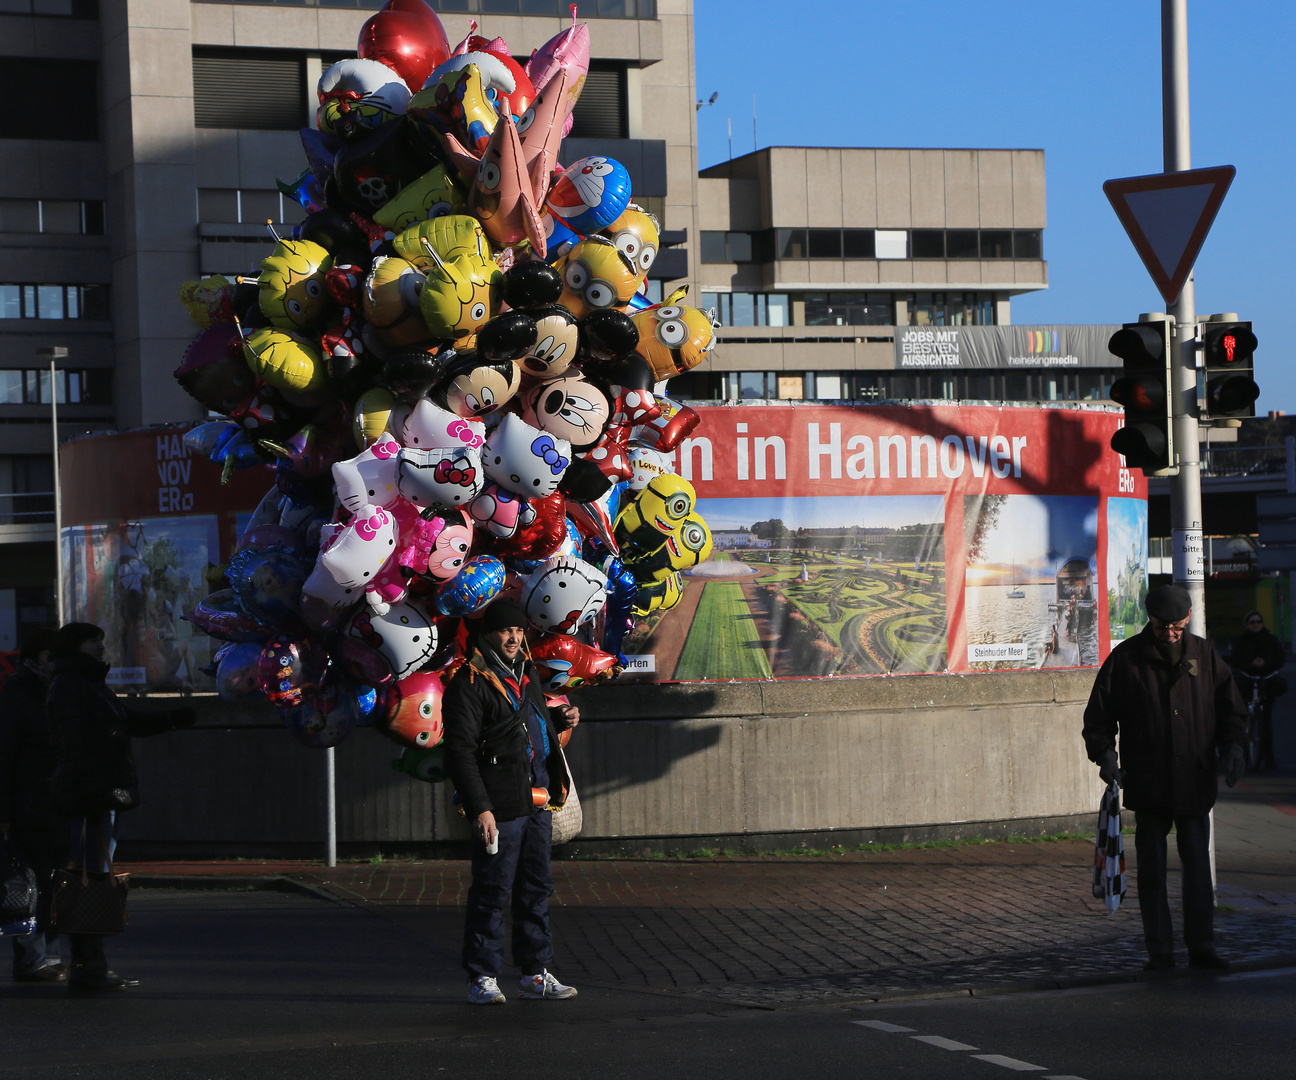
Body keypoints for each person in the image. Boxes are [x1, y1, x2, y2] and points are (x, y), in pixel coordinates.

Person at [1082, 585, 1247, 972]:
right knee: (1152, 874)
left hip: (1194, 780)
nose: (1170, 633)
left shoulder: (1205, 656)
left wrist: (1236, 748)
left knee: (1197, 872)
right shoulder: (1125, 659)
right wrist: (1106, 757)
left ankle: (1202, 948)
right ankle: (1160, 952)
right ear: (1149, 620)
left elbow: (1232, 712)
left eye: (1176, 626)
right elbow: (1098, 717)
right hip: (1149, 782)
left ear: (1187, 619)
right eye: (1160, 627)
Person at [442, 597, 580, 1006]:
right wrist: (480, 807)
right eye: (507, 631)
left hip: (537, 796)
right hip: (499, 805)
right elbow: (459, 753)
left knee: (536, 889)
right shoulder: (467, 682)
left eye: (519, 631)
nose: (515, 638)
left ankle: (535, 973)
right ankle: (482, 977)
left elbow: (520, 723)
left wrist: (559, 721)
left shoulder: (526, 673)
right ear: (487, 636)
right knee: (492, 890)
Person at [45, 622, 195, 992]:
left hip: (97, 795)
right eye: (93, 640)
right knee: (88, 880)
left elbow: (125, 721)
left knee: (93, 877)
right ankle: (87, 964)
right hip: (90, 798)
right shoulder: (71, 686)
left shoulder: (87, 684)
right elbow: (78, 745)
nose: (101, 645)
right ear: (74, 646)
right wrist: (96, 793)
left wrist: (172, 719)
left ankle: (91, 961)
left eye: (101, 639)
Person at [0, 628, 67, 983]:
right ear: (36, 656)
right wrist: (5, 812)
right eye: (50, 655)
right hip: (30, 802)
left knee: (53, 882)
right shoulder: (20, 691)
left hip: (55, 801)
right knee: (30, 885)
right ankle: (31, 958)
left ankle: (48, 956)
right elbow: (6, 753)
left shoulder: (58, 688)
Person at [1229, 610, 1286, 770]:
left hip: (1266, 682)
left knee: (1266, 723)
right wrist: (1250, 663)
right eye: (1252, 622)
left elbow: (1280, 658)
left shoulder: (1270, 639)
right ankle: (1244, 756)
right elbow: (1235, 659)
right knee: (1244, 720)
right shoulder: (1241, 641)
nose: (1255, 625)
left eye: (1258, 622)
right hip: (1247, 681)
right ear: (1247, 625)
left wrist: (1265, 663)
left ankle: (1268, 758)